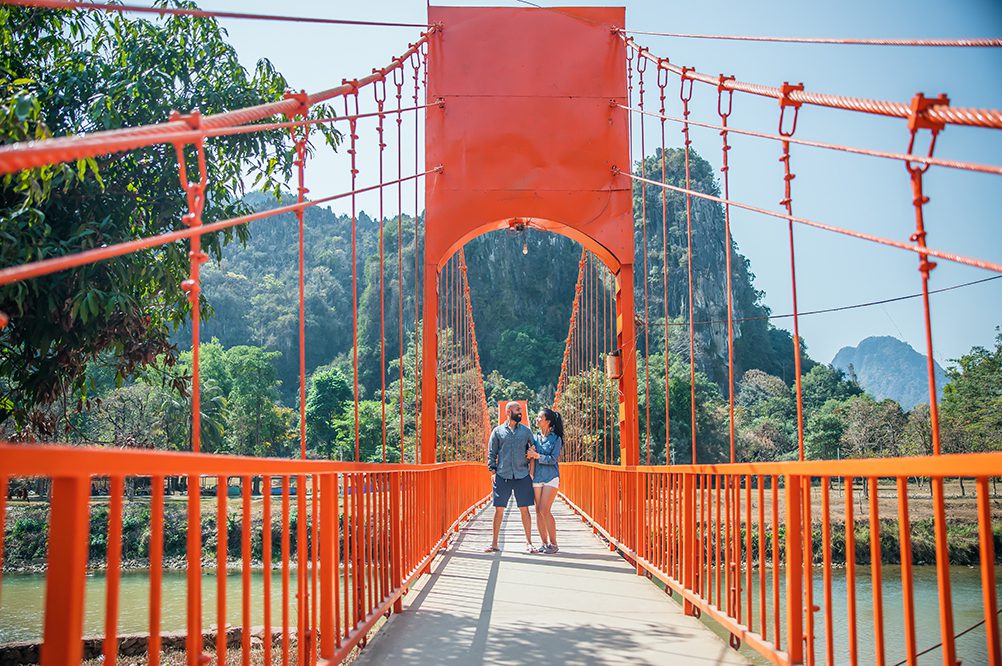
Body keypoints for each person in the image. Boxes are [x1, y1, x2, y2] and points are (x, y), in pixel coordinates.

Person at [485, 401, 537, 554]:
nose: (520, 412)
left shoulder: (527, 431)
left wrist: (531, 473)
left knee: (524, 509)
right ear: (508, 412)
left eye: (521, 409)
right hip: (502, 474)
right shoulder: (497, 431)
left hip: (522, 475)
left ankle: (529, 543)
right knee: (499, 509)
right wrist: (493, 472)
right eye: (517, 409)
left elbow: (533, 452)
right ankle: (494, 543)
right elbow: (491, 453)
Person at [527, 408, 563, 554]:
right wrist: (529, 455)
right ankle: (544, 543)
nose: (537, 418)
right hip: (537, 477)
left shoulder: (556, 439)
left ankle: (554, 544)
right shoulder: (534, 437)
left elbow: (553, 459)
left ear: (547, 421)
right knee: (537, 510)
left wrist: (537, 456)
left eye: (540, 417)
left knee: (544, 509)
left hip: (551, 477)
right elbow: (530, 454)